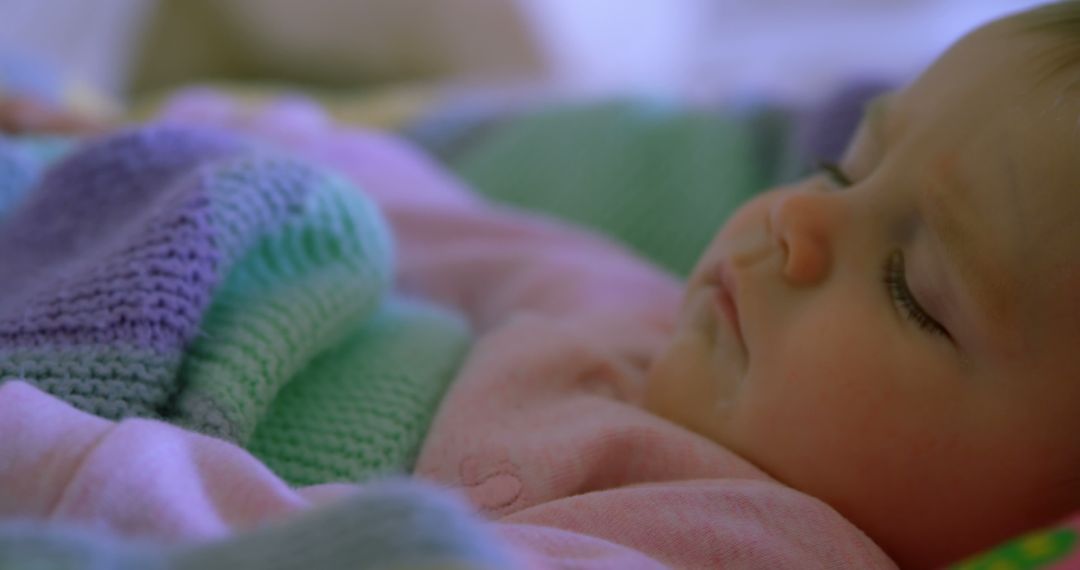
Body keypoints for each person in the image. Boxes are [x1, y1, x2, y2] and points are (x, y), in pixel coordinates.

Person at [1, 2, 1079, 568]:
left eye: (912, 287)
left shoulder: (752, 547)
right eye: (845, 166)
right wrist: (155, 131)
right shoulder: (651, 315)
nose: (798, 218)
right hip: (149, 254)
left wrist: (45, 454)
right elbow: (436, 209)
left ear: (1043, 524)